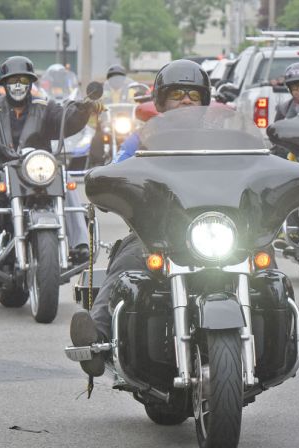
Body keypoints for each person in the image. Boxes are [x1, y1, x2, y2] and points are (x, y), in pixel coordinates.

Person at [70, 59, 212, 377]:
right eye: (177, 94)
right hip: (160, 233)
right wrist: (106, 180)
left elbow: (258, 163)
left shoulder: (223, 135)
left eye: (193, 94)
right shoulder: (143, 137)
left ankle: (283, 336)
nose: (186, 100)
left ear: (205, 100)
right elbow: (118, 168)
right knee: (125, 262)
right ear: (162, 102)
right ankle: (97, 339)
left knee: (265, 265)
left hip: (218, 229)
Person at [0, 56, 97, 263]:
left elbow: (65, 119)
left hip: (38, 166)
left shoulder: (45, 107)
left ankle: (80, 244)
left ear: (30, 84)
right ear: (4, 84)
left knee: (64, 176)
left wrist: (83, 111)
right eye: (12, 81)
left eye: (23, 80)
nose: (18, 85)